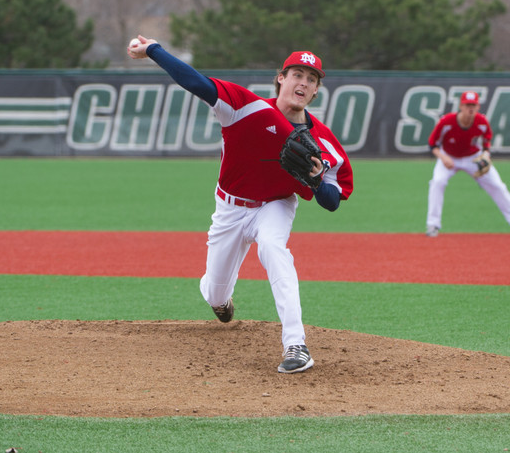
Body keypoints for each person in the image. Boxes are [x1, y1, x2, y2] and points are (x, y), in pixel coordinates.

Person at [127, 36, 353, 374]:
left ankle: (296, 344)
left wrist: (319, 179)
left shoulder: (322, 141)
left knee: (274, 250)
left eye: (311, 78)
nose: (302, 83)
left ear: (317, 90)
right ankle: (221, 301)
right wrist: (154, 51)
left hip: (275, 205)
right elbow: (196, 83)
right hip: (229, 208)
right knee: (215, 295)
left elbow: (333, 202)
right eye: (297, 74)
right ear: (281, 78)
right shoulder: (244, 106)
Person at [424, 91, 510, 238]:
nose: (470, 108)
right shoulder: (447, 121)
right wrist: (443, 157)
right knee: (437, 182)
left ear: (478, 106)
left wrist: (486, 155)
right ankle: (432, 225)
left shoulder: (482, 122)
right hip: (448, 157)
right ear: (461, 106)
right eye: (467, 105)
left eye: (473, 105)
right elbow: (432, 143)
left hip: (473, 158)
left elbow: (487, 141)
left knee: (498, 186)